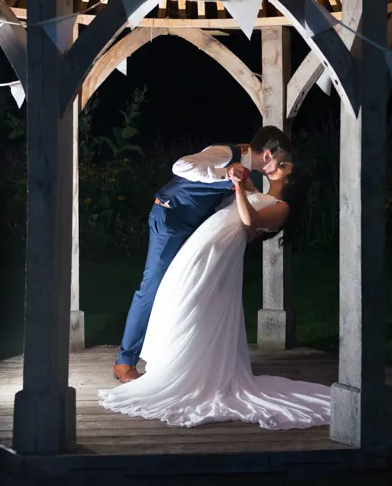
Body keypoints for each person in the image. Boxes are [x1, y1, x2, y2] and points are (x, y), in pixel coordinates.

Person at [99, 158, 331, 430]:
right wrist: (239, 175)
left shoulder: (282, 208)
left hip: (217, 255)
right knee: (178, 300)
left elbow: (249, 218)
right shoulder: (261, 195)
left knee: (196, 304)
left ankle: (191, 373)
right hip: (203, 245)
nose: (276, 165)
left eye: (282, 167)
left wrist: (240, 189)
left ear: (289, 182)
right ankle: (174, 364)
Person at [112, 126, 292, 383]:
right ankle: (124, 362)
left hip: (193, 227)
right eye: (280, 159)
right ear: (268, 155)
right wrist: (225, 174)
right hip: (170, 220)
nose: (279, 164)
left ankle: (174, 357)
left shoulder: (245, 172)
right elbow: (181, 166)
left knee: (180, 288)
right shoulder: (224, 154)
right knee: (151, 288)